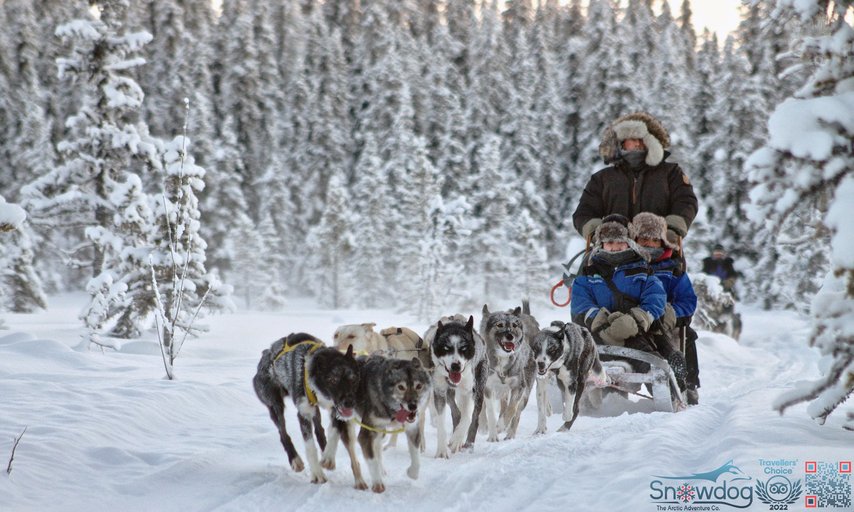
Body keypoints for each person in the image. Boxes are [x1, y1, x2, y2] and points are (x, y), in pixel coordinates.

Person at [572, 112, 698, 248]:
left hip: (660, 252)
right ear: (621, 142)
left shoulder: (671, 173)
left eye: (642, 138)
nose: (638, 143)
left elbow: (686, 202)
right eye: (632, 138)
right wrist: (598, 234)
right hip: (614, 254)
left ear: (652, 140)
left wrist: (672, 231)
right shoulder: (602, 178)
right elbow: (584, 212)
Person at [570, 215, 665, 361]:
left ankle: (667, 382)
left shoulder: (643, 269)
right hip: (597, 334)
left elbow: (656, 298)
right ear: (601, 244)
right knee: (583, 361)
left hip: (636, 333)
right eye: (609, 242)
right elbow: (580, 301)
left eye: (620, 241)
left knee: (653, 362)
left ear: (629, 243)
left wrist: (634, 321)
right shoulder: (589, 271)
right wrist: (600, 321)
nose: (615, 247)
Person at [633, 212, 698, 403]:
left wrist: (673, 313)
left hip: (665, 323)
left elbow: (688, 300)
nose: (649, 244)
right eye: (644, 239)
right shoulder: (626, 265)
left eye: (655, 240)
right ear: (635, 240)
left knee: (688, 336)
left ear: (663, 241)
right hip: (635, 321)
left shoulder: (673, 268)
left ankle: (688, 383)